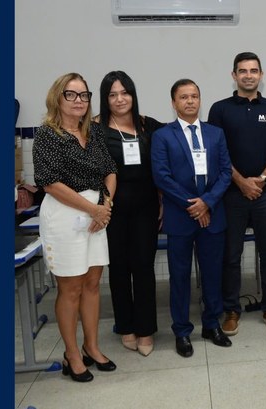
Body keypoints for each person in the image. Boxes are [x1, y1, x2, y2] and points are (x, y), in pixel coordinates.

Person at [32, 72, 117, 382]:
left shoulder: (93, 132)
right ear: (58, 97)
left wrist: (105, 207)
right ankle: (71, 354)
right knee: (71, 289)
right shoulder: (47, 135)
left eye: (84, 95)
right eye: (72, 94)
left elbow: (110, 171)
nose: (79, 100)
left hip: (96, 218)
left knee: (93, 283)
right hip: (65, 218)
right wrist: (93, 209)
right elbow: (50, 183)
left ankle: (91, 346)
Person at [151, 79, 233, 357]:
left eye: (194, 96)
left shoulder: (215, 134)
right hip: (180, 218)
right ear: (173, 103)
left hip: (212, 215)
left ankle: (212, 325)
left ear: (200, 100)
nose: (190, 101)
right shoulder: (163, 136)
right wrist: (194, 206)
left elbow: (225, 172)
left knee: (212, 274)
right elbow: (162, 176)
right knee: (180, 277)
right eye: (183, 97)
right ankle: (182, 331)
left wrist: (207, 203)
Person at [207, 52, 266, 335]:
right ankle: (231, 310)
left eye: (254, 70)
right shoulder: (219, 109)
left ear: (261, 75)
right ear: (234, 75)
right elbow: (217, 152)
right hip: (231, 193)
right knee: (231, 255)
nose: (249, 75)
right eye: (243, 71)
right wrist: (241, 182)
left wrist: (263, 179)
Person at [96, 71, 163, 357]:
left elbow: (165, 163)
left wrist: (163, 199)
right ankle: (126, 326)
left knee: (144, 268)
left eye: (124, 93)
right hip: (113, 209)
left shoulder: (149, 126)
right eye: (112, 94)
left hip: (147, 207)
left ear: (133, 95)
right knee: (119, 269)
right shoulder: (96, 129)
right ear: (105, 99)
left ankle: (146, 329)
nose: (119, 99)